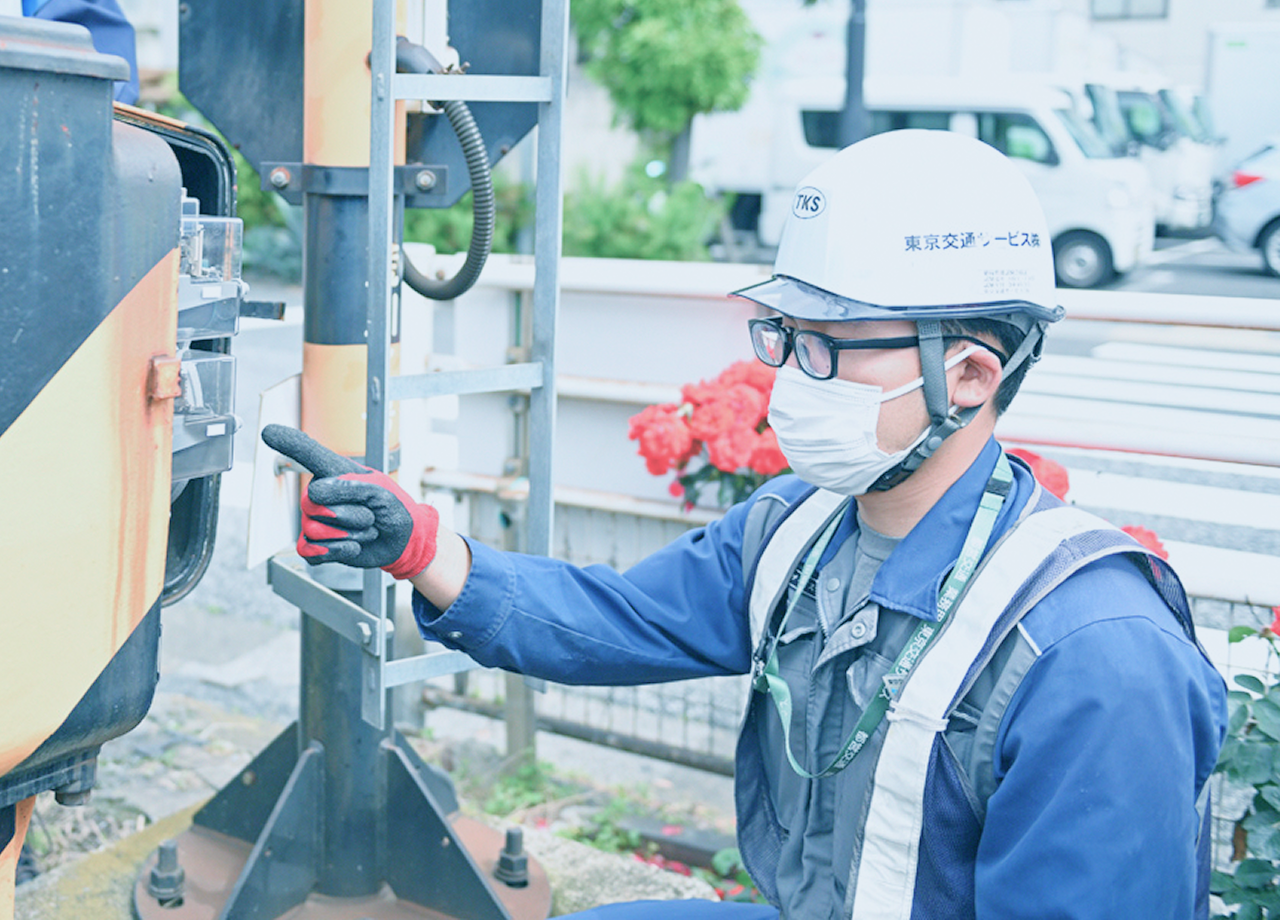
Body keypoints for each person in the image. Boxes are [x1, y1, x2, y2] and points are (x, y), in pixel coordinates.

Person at [263, 129, 1227, 920]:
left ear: (971, 375)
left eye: (828, 347)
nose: (788, 379)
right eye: (785, 339)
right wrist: (420, 545)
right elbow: (616, 620)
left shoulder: (1097, 659)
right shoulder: (798, 533)